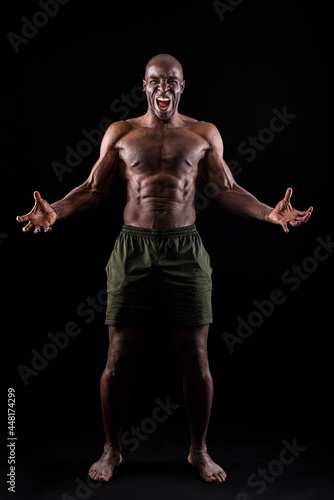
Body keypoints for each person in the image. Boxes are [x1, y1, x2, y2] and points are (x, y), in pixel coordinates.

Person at [16, 53, 313, 484]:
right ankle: (111, 450)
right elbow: (94, 188)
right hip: (132, 248)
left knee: (196, 358)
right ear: (143, 86)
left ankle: (198, 451)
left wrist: (269, 213)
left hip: (185, 249)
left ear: (182, 86)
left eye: (171, 82)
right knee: (118, 358)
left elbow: (226, 188)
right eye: (155, 81)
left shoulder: (202, 133)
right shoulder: (121, 133)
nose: (163, 89)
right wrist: (56, 213)